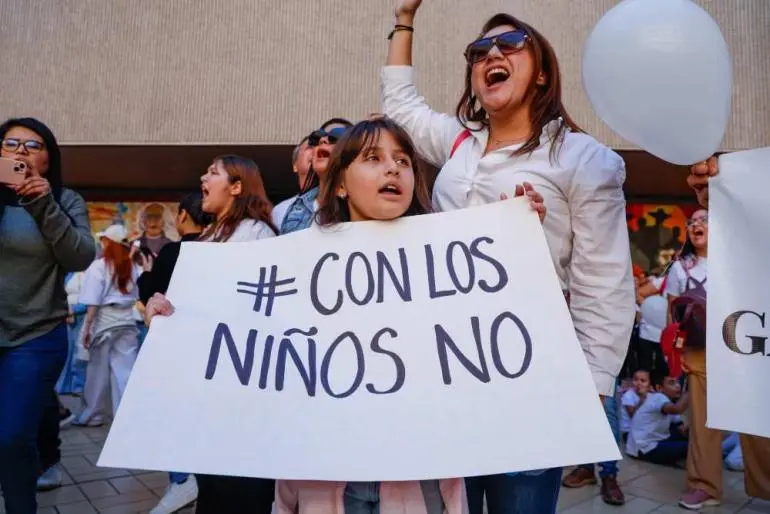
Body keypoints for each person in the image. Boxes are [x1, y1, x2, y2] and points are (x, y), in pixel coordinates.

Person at [381, 1, 635, 511]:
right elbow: (400, 107)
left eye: (510, 44)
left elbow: (603, 281)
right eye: (479, 51)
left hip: (533, 379)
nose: (492, 54)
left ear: (541, 72)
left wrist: (591, 388)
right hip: (447, 370)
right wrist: (404, 19)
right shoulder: (459, 142)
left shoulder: (583, 159)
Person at [146, 155, 277, 514]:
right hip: (210, 386)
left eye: (213, 173)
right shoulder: (212, 235)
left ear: (236, 187)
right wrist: (165, 308)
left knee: (239, 490)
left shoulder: (254, 233)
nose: (203, 178)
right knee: (214, 486)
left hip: (238, 388)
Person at [0, 117, 96, 514]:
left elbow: (81, 256)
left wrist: (44, 205)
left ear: (49, 159)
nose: (21, 151)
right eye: (11, 143)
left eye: (33, 145)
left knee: (11, 436)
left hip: (34, 336)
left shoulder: (64, 199)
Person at [678, 158, 770, 508]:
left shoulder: (746, 252)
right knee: (703, 419)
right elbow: (675, 313)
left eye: (704, 219)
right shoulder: (681, 267)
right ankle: (704, 484)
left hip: (749, 340)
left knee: (758, 413)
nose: (697, 224)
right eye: (693, 221)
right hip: (703, 348)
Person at [135, 191, 212, 514]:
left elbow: (149, 291)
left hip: (177, 346)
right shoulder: (221, 249)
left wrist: (147, 272)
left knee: (174, 411)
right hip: (211, 346)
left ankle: (182, 479)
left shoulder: (172, 251)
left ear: (181, 216)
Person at [74, 224, 141, 427]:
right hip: (127, 320)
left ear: (108, 242)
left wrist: (87, 327)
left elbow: (93, 301)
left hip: (104, 322)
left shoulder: (99, 266)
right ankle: (126, 417)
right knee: (125, 371)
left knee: (97, 372)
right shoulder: (132, 266)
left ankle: (92, 415)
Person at [280, 118, 353, 234]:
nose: (323, 140)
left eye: (336, 136)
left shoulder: (364, 201)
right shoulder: (298, 207)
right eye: (317, 138)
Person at [626, 372, 689, 466]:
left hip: (648, 442)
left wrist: (686, 426)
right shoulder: (658, 397)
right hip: (644, 448)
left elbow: (679, 421)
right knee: (690, 446)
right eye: (672, 383)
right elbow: (677, 409)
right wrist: (691, 390)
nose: (678, 386)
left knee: (683, 432)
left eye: (677, 382)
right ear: (659, 388)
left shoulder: (665, 401)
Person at [272, 136, 313, 229]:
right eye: (310, 147)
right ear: (295, 165)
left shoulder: (338, 205)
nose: (316, 151)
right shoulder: (280, 210)